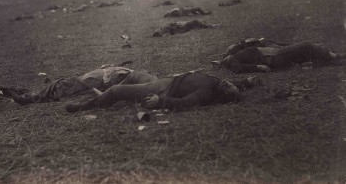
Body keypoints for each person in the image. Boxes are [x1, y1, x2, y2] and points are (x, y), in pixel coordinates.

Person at [66, 72, 261, 112]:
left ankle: (87, 106)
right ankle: (112, 96)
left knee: (117, 90)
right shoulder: (220, 84)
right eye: (230, 84)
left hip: (163, 89)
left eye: (228, 88)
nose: (227, 83)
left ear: (223, 96)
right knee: (136, 74)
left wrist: (160, 101)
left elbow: (185, 103)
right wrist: (247, 81)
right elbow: (232, 85)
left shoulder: (207, 93)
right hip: (167, 80)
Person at [8, 66, 157, 105]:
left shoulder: (148, 84)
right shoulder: (152, 80)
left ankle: (32, 98)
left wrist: (106, 92)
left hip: (107, 78)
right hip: (112, 73)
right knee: (68, 82)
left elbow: (120, 89)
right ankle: (35, 96)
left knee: (67, 84)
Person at [214, 38, 346, 73]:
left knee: (302, 50)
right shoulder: (232, 61)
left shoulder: (233, 54)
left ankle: (332, 60)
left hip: (271, 53)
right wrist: (258, 67)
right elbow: (238, 69)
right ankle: (335, 56)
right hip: (272, 57)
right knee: (306, 45)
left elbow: (237, 47)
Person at [153, 19, 221, 37]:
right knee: (195, 22)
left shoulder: (164, 30)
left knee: (198, 24)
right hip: (182, 29)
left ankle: (212, 25)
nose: (160, 29)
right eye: (158, 30)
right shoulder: (164, 31)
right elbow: (171, 31)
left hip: (182, 27)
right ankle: (213, 26)